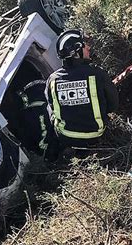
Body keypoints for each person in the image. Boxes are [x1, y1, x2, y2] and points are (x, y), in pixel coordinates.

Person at [45, 29, 119, 160]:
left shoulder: (52, 80)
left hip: (66, 137)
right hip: (96, 135)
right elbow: (113, 106)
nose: (88, 48)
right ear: (76, 52)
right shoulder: (98, 74)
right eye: (85, 45)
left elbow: (52, 110)